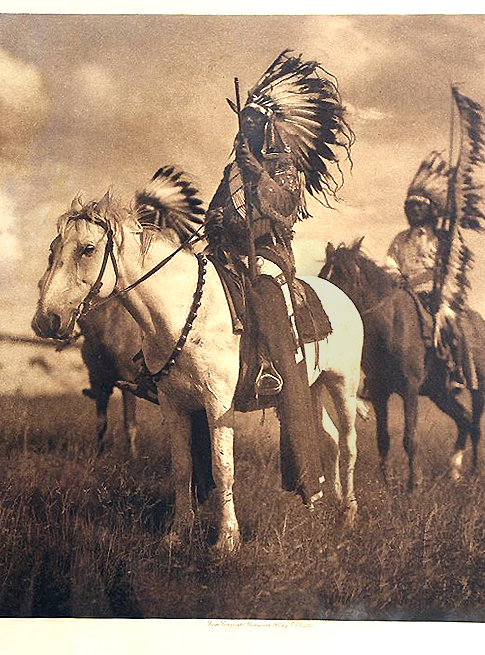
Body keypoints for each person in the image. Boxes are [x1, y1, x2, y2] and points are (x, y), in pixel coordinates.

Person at [205, 50, 354, 507]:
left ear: (266, 126)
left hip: (269, 258)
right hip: (230, 256)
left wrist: (259, 179)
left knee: (269, 304)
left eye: (254, 122)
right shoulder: (232, 168)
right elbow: (216, 211)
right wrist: (213, 223)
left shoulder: (282, 165)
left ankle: (274, 371)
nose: (246, 128)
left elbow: (286, 210)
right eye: (242, 122)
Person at [384, 151, 469, 390]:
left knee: (448, 321)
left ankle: (455, 370)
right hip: (403, 294)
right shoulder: (400, 239)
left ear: (429, 210)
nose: (411, 211)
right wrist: (396, 277)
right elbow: (390, 262)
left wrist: (434, 279)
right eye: (408, 207)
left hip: (435, 294)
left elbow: (452, 268)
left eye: (417, 207)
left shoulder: (443, 239)